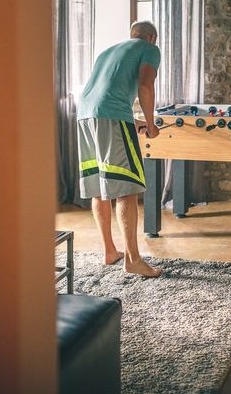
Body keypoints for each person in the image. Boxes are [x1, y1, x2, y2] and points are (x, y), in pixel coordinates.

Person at [76, 21, 162, 277]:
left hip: (85, 115)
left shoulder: (108, 52)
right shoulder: (149, 49)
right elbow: (145, 86)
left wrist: (133, 122)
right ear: (152, 37)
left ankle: (109, 251)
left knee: (100, 186)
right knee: (126, 188)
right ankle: (133, 260)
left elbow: (105, 92)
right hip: (110, 114)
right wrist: (150, 123)